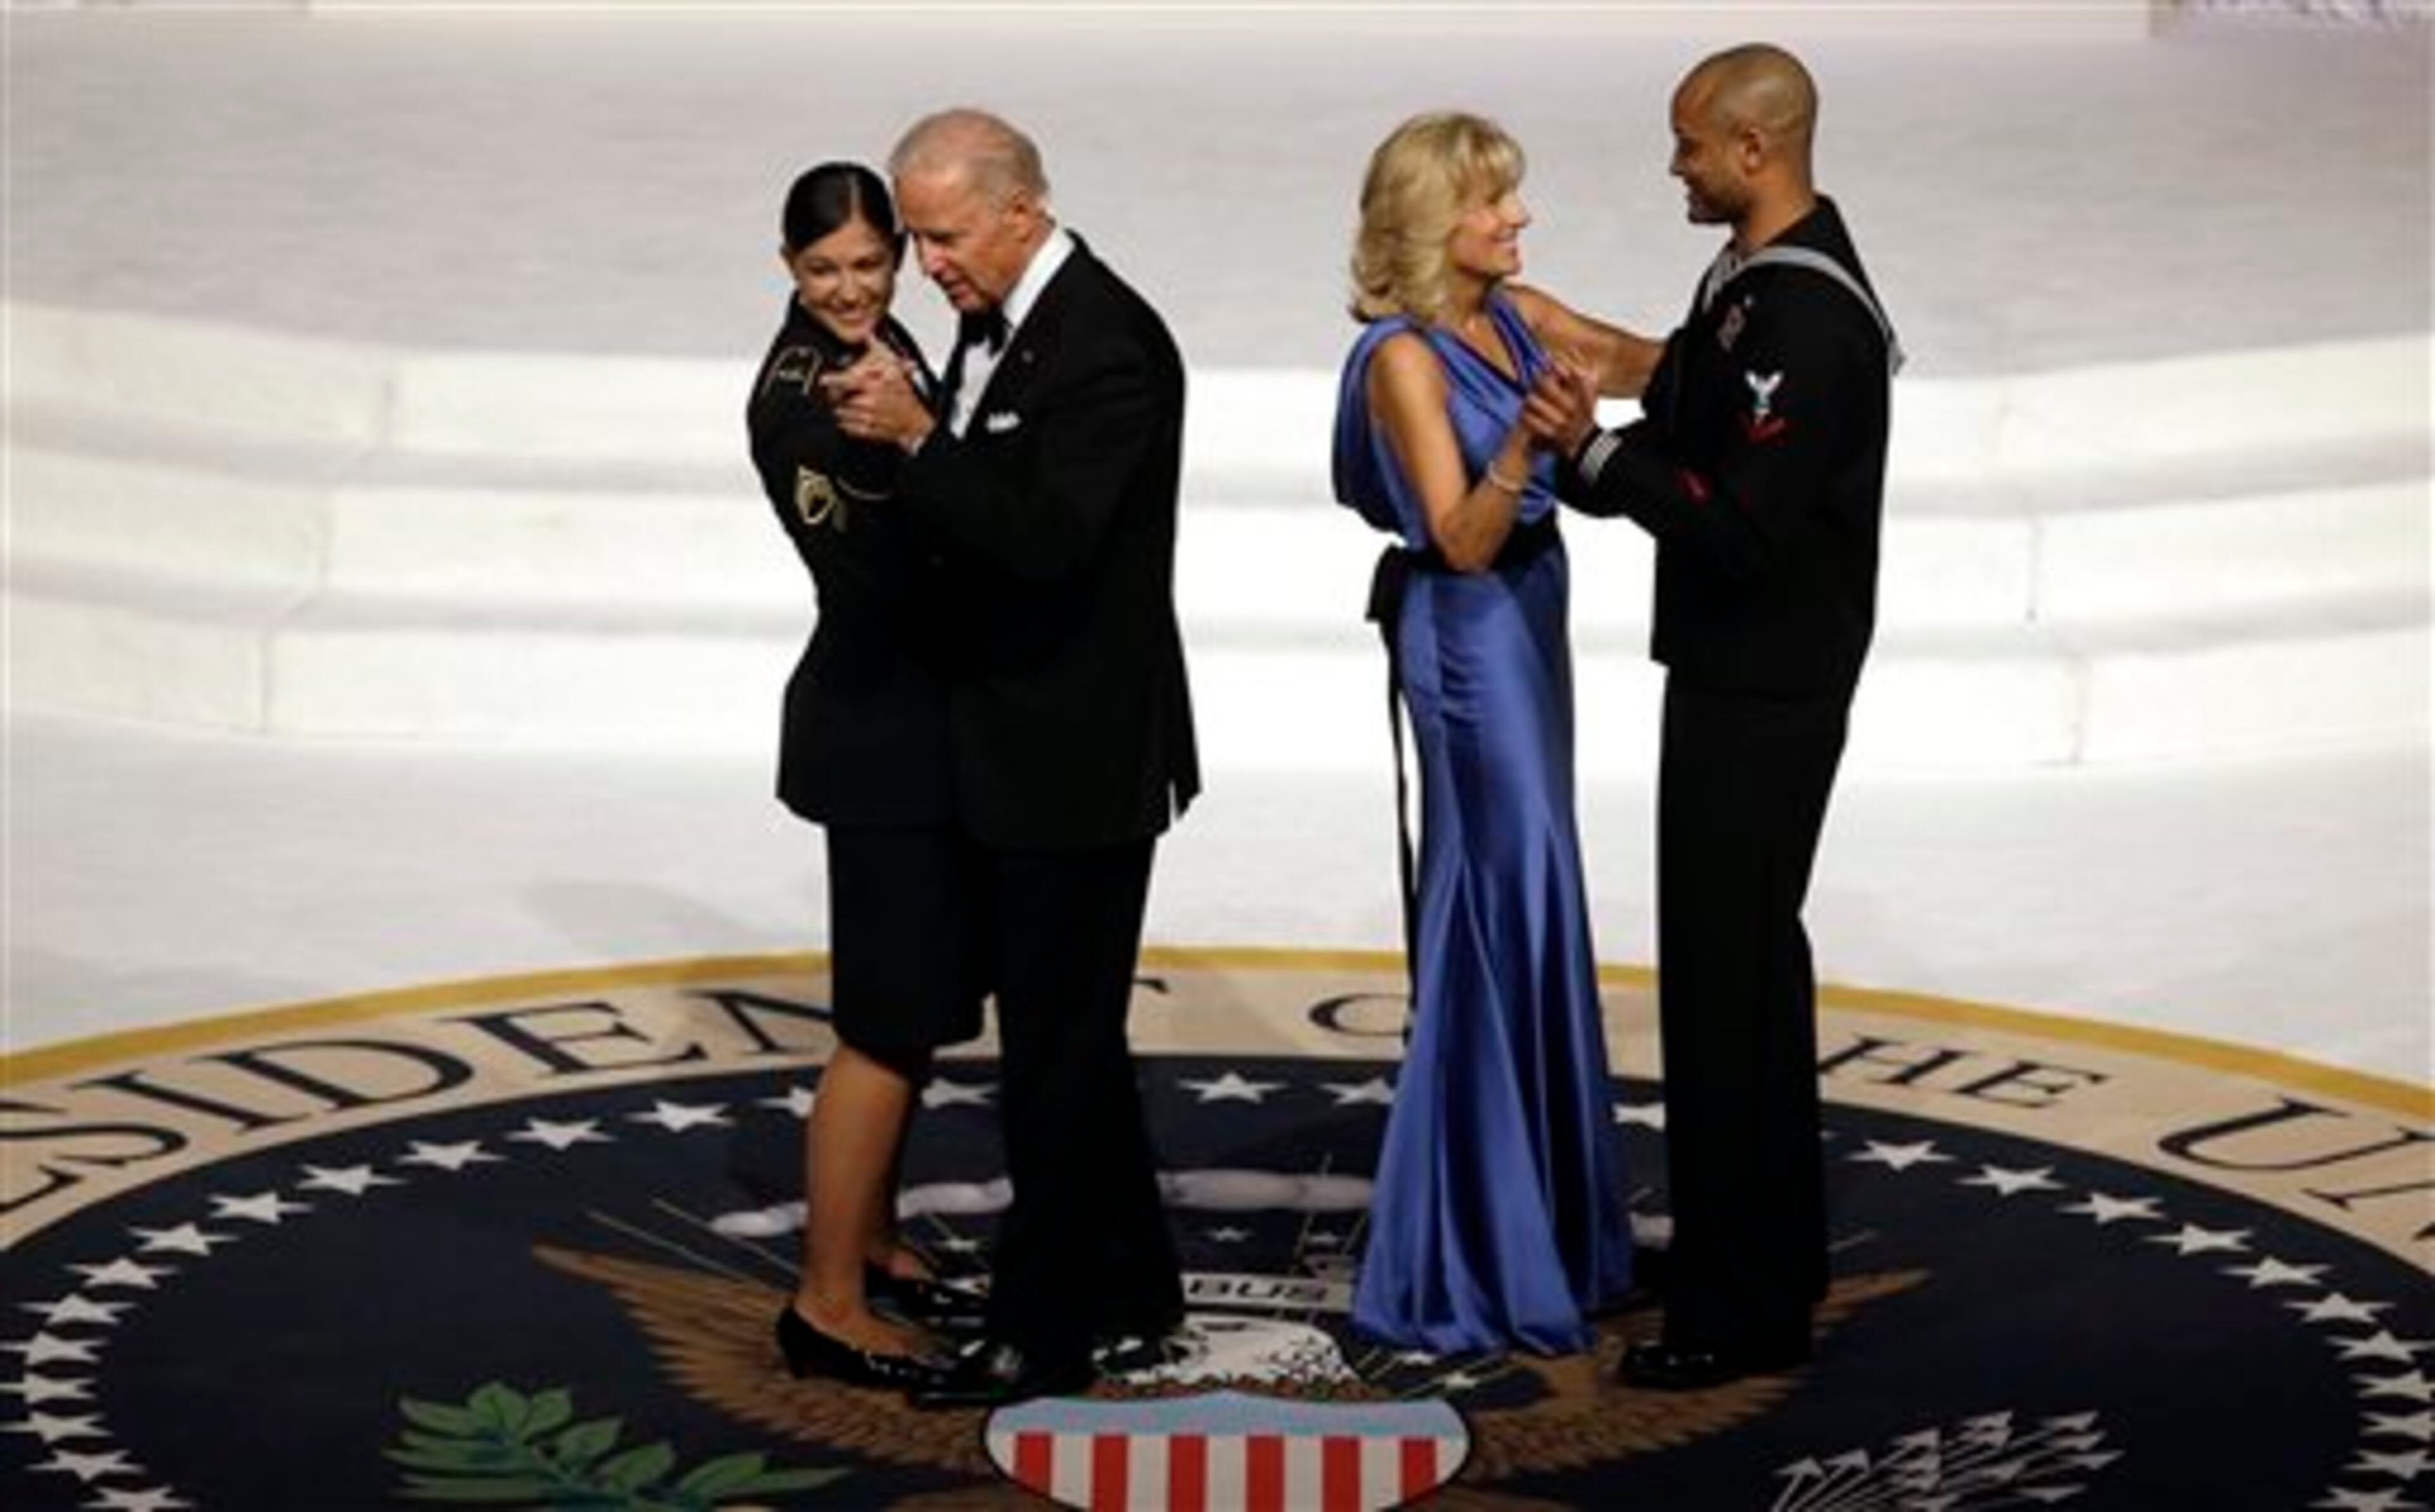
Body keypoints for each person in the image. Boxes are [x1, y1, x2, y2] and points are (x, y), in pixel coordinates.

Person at [1523, 42, 1900, 1390]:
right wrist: (1574, 356)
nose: (1675, 165)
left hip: (1768, 683)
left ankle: (1743, 1311)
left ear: (1756, 149)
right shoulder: (1754, 281)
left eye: (1690, 145)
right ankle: (1753, 1252)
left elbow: (1738, 527)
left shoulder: (1804, 319)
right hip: (1744, 672)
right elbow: (1687, 385)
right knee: (1733, 974)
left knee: (1729, 982)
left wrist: (1594, 456)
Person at [823, 107, 1200, 1408]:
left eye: (942, 234)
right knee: (1068, 1042)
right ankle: (1136, 1283)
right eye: (916, 236)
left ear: (1021, 211)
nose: (925, 263)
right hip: (1012, 745)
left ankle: (1041, 1331)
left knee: (1051, 1051)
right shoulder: (1004, 321)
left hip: (1077, 757)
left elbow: (1049, 541)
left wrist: (919, 444)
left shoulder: (1108, 346)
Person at [1331, 111, 1662, 1355]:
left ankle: (1557, 1226)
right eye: (1493, 206)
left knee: (1536, 884)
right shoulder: (1402, 358)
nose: (1517, 220)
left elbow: (1637, 356)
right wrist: (1533, 432)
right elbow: (1458, 535)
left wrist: (1776, 331)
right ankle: (1469, 1246)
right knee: (1495, 896)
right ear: (1432, 223)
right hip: (1468, 638)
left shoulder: (1515, 314)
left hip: (1531, 615)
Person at [746, 162, 982, 1392]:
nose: (849, 289)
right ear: (787, 270)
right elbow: (884, 569)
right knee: (882, 1025)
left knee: (919, 1004)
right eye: (822, 269)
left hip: (913, 720)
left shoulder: (894, 341)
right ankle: (827, 1301)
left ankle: (878, 1239)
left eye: (866, 263)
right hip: (878, 727)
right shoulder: (804, 400)